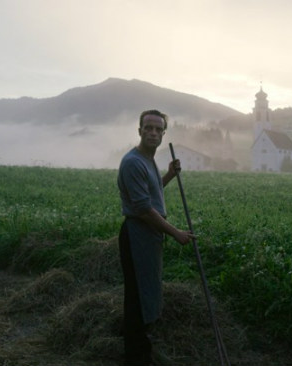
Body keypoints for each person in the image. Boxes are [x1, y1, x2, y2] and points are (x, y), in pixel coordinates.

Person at [117, 109, 195, 366]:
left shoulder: (148, 160)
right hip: (138, 234)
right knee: (138, 296)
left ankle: (141, 348)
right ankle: (136, 357)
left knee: (147, 291)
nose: (153, 132)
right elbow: (143, 209)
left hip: (149, 236)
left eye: (158, 129)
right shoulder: (133, 162)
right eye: (148, 128)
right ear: (139, 131)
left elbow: (150, 192)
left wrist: (169, 176)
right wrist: (176, 233)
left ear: (163, 134)